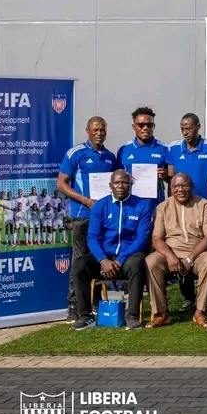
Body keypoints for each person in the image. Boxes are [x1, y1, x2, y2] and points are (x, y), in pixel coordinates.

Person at [71, 169, 153, 331]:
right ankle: (85, 316)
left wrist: (120, 259)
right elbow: (92, 237)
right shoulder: (100, 205)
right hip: (105, 258)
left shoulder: (142, 205)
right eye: (117, 183)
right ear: (110, 186)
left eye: (125, 182)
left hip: (127, 257)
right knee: (80, 264)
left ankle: (132, 316)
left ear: (130, 185)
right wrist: (103, 260)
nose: (120, 186)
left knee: (137, 262)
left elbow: (142, 239)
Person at [57, 117, 119, 321]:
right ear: (87, 131)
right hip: (82, 217)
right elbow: (61, 184)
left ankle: (95, 302)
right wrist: (86, 201)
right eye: (95, 130)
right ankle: (74, 307)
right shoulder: (76, 153)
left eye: (102, 130)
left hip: (104, 219)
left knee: (100, 258)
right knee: (80, 261)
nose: (99, 133)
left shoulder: (110, 157)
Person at [145, 172, 207, 327]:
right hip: (170, 254)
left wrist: (189, 259)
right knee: (151, 261)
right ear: (171, 188)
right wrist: (170, 256)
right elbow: (156, 239)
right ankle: (161, 314)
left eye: (184, 185)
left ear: (191, 186)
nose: (180, 189)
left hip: (198, 254)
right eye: (176, 186)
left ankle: (200, 312)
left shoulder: (205, 205)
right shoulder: (163, 207)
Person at [166, 113, 207, 311]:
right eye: (182, 128)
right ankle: (188, 296)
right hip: (180, 206)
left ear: (198, 127)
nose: (185, 132)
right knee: (181, 246)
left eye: (189, 128)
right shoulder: (174, 148)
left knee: (206, 248)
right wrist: (171, 205)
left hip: (203, 207)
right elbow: (171, 179)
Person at [116, 107, 170, 204]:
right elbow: (117, 179)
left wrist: (165, 175)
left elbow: (172, 179)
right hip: (130, 206)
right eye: (141, 125)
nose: (145, 128)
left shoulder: (164, 149)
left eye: (149, 125)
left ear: (154, 126)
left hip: (155, 205)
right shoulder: (124, 150)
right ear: (133, 127)